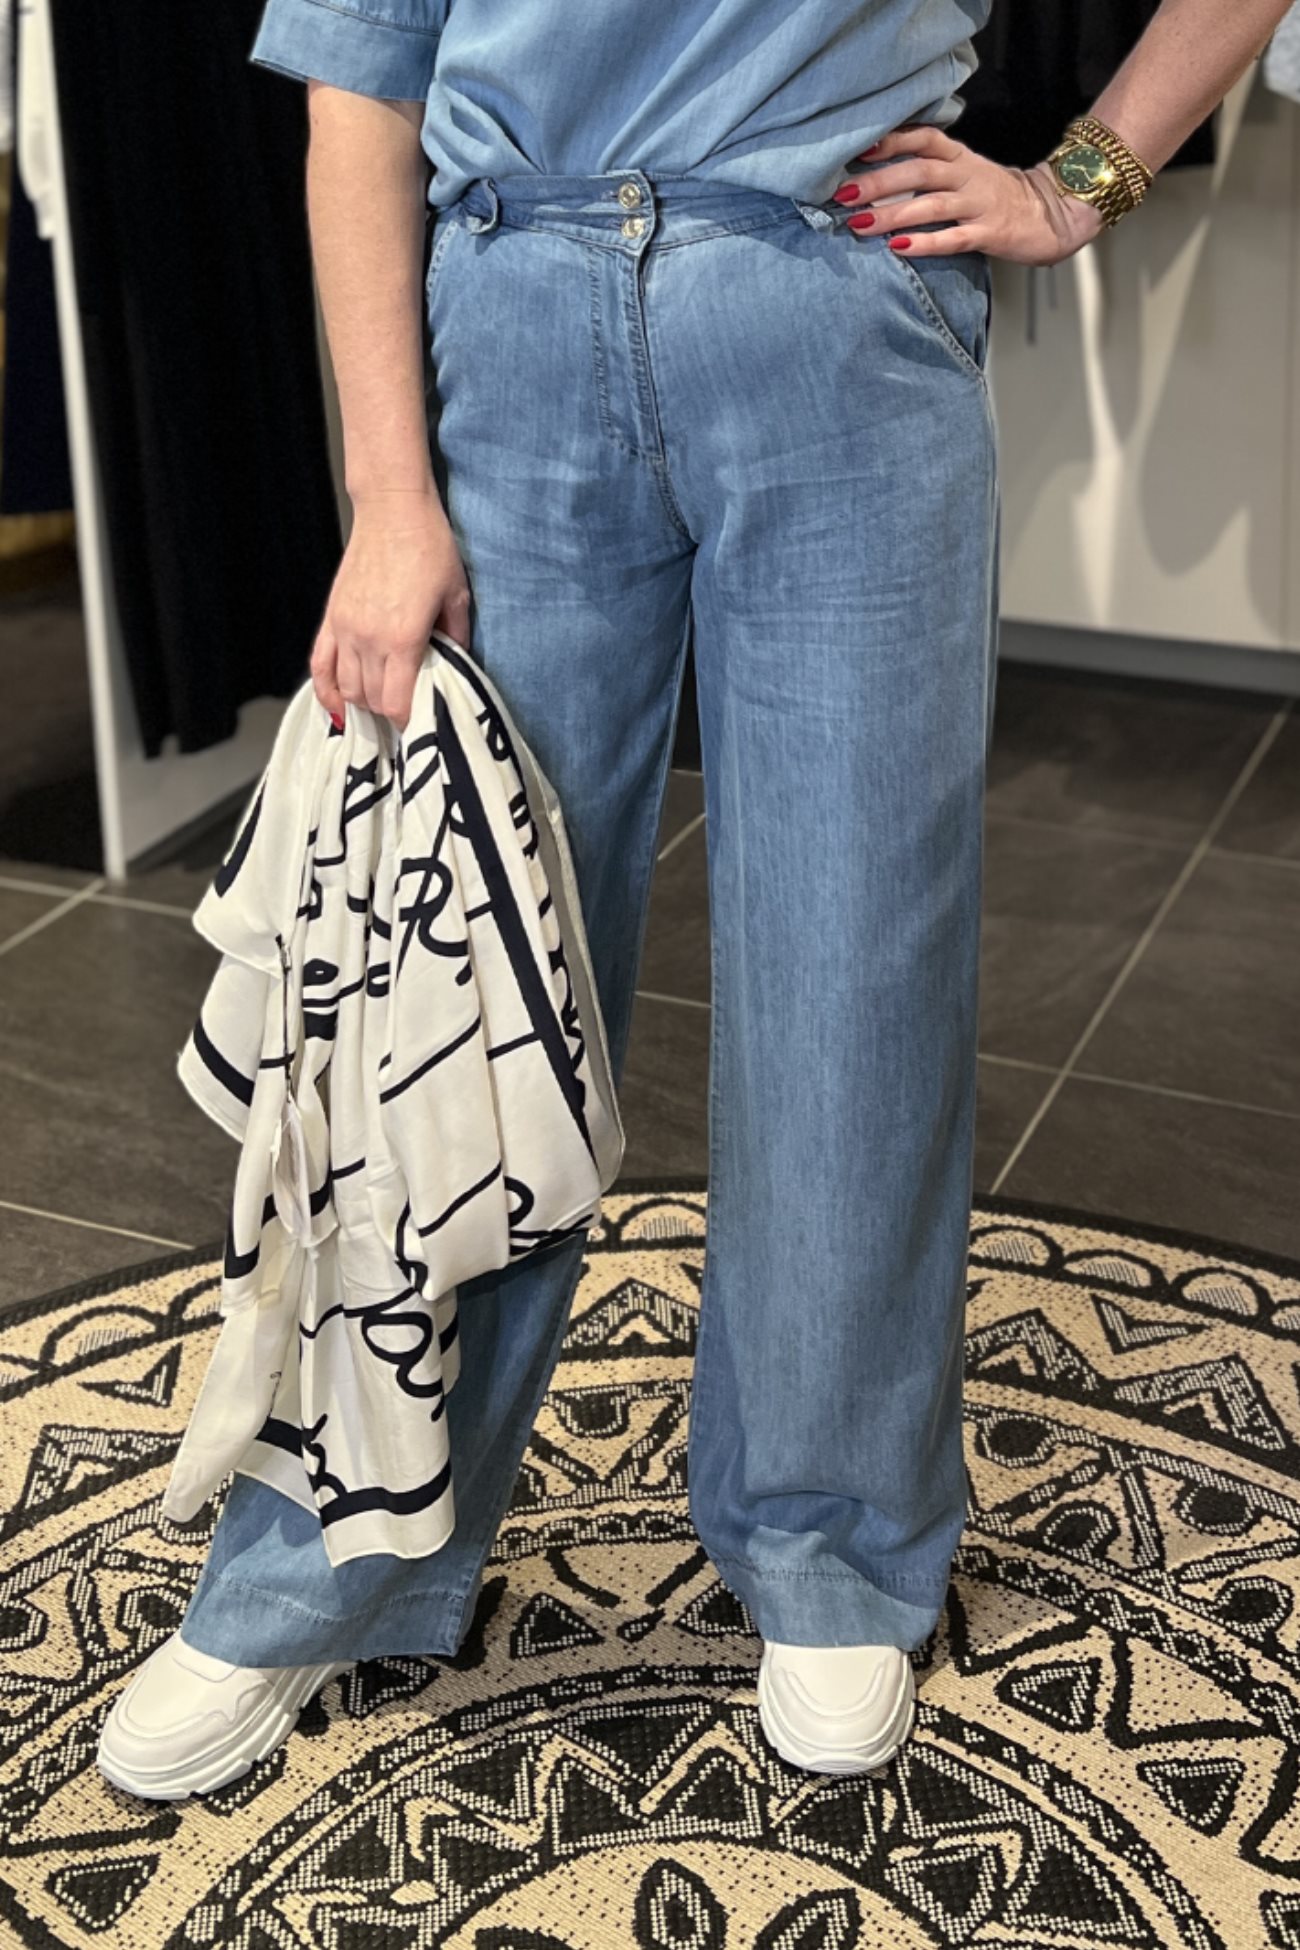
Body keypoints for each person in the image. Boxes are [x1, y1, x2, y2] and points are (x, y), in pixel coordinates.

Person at [99, 0, 1293, 1803]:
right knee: (441, 982)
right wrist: (386, 493)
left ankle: (832, 1537)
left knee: (853, 984)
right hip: (514, 310)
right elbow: (361, 82)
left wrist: (1083, 182)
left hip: (833, 304)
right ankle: (321, 1565)